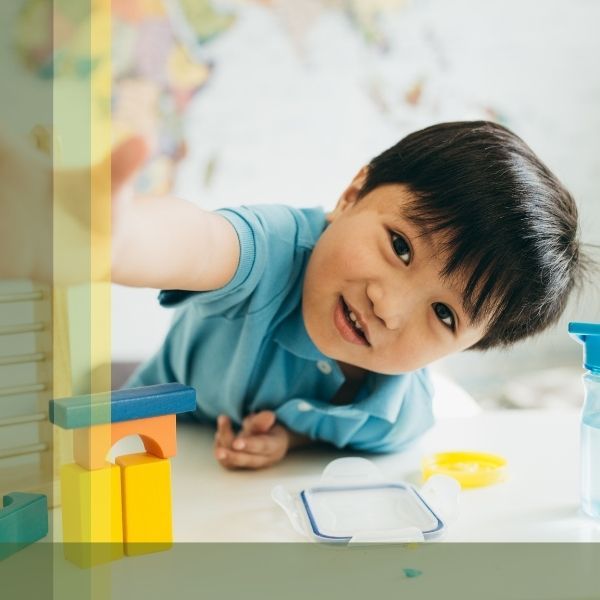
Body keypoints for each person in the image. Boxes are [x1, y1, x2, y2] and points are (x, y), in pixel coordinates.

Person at [114, 121, 584, 470]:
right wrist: (119, 237)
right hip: (138, 426)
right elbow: (200, 243)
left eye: (444, 314)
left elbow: (362, 431)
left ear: (465, 349)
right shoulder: (275, 252)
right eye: (400, 246)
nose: (389, 307)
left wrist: (291, 437)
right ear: (351, 195)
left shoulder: (400, 414)